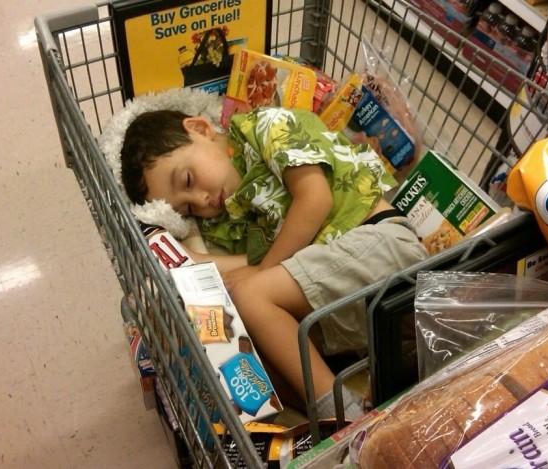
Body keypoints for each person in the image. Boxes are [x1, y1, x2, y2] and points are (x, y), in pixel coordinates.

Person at [120, 107, 428, 419]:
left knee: (250, 296)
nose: (200, 200)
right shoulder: (228, 214)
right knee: (243, 343)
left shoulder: (265, 128)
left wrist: (258, 274)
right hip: (350, 301)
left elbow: (315, 199)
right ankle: (323, 420)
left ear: (200, 129)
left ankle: (342, 418)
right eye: (187, 208)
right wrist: (194, 261)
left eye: (188, 180)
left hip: (380, 243)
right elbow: (258, 265)